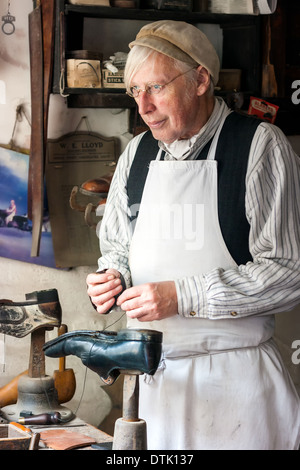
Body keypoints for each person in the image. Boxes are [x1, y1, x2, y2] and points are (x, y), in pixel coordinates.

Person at [86, 20, 300, 450]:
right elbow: (117, 247)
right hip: (156, 387)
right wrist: (112, 277)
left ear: (201, 80)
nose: (143, 107)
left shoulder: (259, 146)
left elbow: (288, 272)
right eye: (134, 92)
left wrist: (183, 296)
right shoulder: (137, 153)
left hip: (238, 389)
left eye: (156, 88)